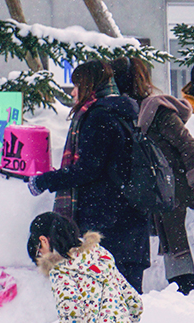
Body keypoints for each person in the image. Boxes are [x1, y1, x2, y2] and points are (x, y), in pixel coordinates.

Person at [28, 61, 150, 293]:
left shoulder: (99, 117)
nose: (73, 92)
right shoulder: (125, 110)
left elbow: (88, 169)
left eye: (77, 85)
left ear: (90, 86)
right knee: (129, 301)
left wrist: (45, 181)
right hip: (132, 221)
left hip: (108, 223)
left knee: (109, 302)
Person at [112, 56, 194, 295]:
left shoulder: (155, 110)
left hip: (179, 195)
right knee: (176, 254)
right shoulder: (125, 114)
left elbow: (187, 145)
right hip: (161, 200)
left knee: (189, 257)